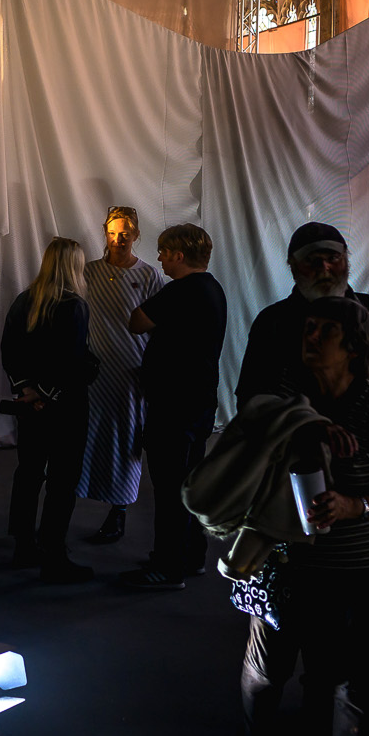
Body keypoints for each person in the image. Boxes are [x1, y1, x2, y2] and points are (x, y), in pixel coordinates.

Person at [228, 294, 369, 736]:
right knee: (266, 673)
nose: (311, 338)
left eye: (324, 331)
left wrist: (356, 506)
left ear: (354, 347)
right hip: (285, 567)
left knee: (349, 686)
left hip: (363, 575)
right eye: (308, 328)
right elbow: (247, 441)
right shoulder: (285, 397)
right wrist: (304, 426)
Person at [119, 223, 228, 590]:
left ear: (180, 256)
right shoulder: (212, 288)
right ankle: (190, 556)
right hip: (198, 402)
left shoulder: (181, 290)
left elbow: (136, 321)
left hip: (174, 407)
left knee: (169, 490)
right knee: (188, 485)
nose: (161, 257)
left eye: (165, 251)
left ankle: (168, 568)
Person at [0, 237, 100, 583]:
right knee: (62, 480)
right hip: (67, 409)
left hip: (30, 407)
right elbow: (70, 362)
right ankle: (54, 554)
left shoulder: (25, 299)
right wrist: (46, 392)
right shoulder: (74, 305)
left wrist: (28, 391)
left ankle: (23, 545)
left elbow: (9, 352)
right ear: (74, 266)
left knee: (28, 474)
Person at [235, 222, 369, 403]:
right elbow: (249, 398)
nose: (324, 268)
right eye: (311, 260)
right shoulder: (272, 322)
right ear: (293, 266)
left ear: (346, 259)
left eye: (333, 258)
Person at [78, 206, 166, 545]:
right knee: (86, 438)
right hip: (92, 372)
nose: (120, 238)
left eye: (126, 231)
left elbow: (158, 328)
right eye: (114, 232)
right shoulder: (89, 272)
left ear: (136, 234)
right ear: (105, 232)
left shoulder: (148, 276)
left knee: (126, 442)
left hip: (131, 373)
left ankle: (120, 510)